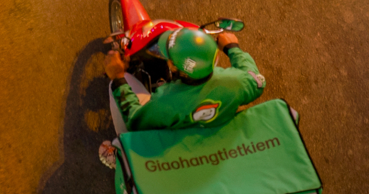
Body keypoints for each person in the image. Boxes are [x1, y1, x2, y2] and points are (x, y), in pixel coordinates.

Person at [104, 26, 266, 132]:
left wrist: (118, 78)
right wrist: (233, 49)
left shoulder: (165, 101)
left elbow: (135, 121)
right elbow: (257, 82)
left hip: (174, 146)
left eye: (170, 59)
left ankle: (119, 150)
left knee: (119, 83)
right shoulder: (235, 81)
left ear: (174, 67)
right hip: (210, 137)